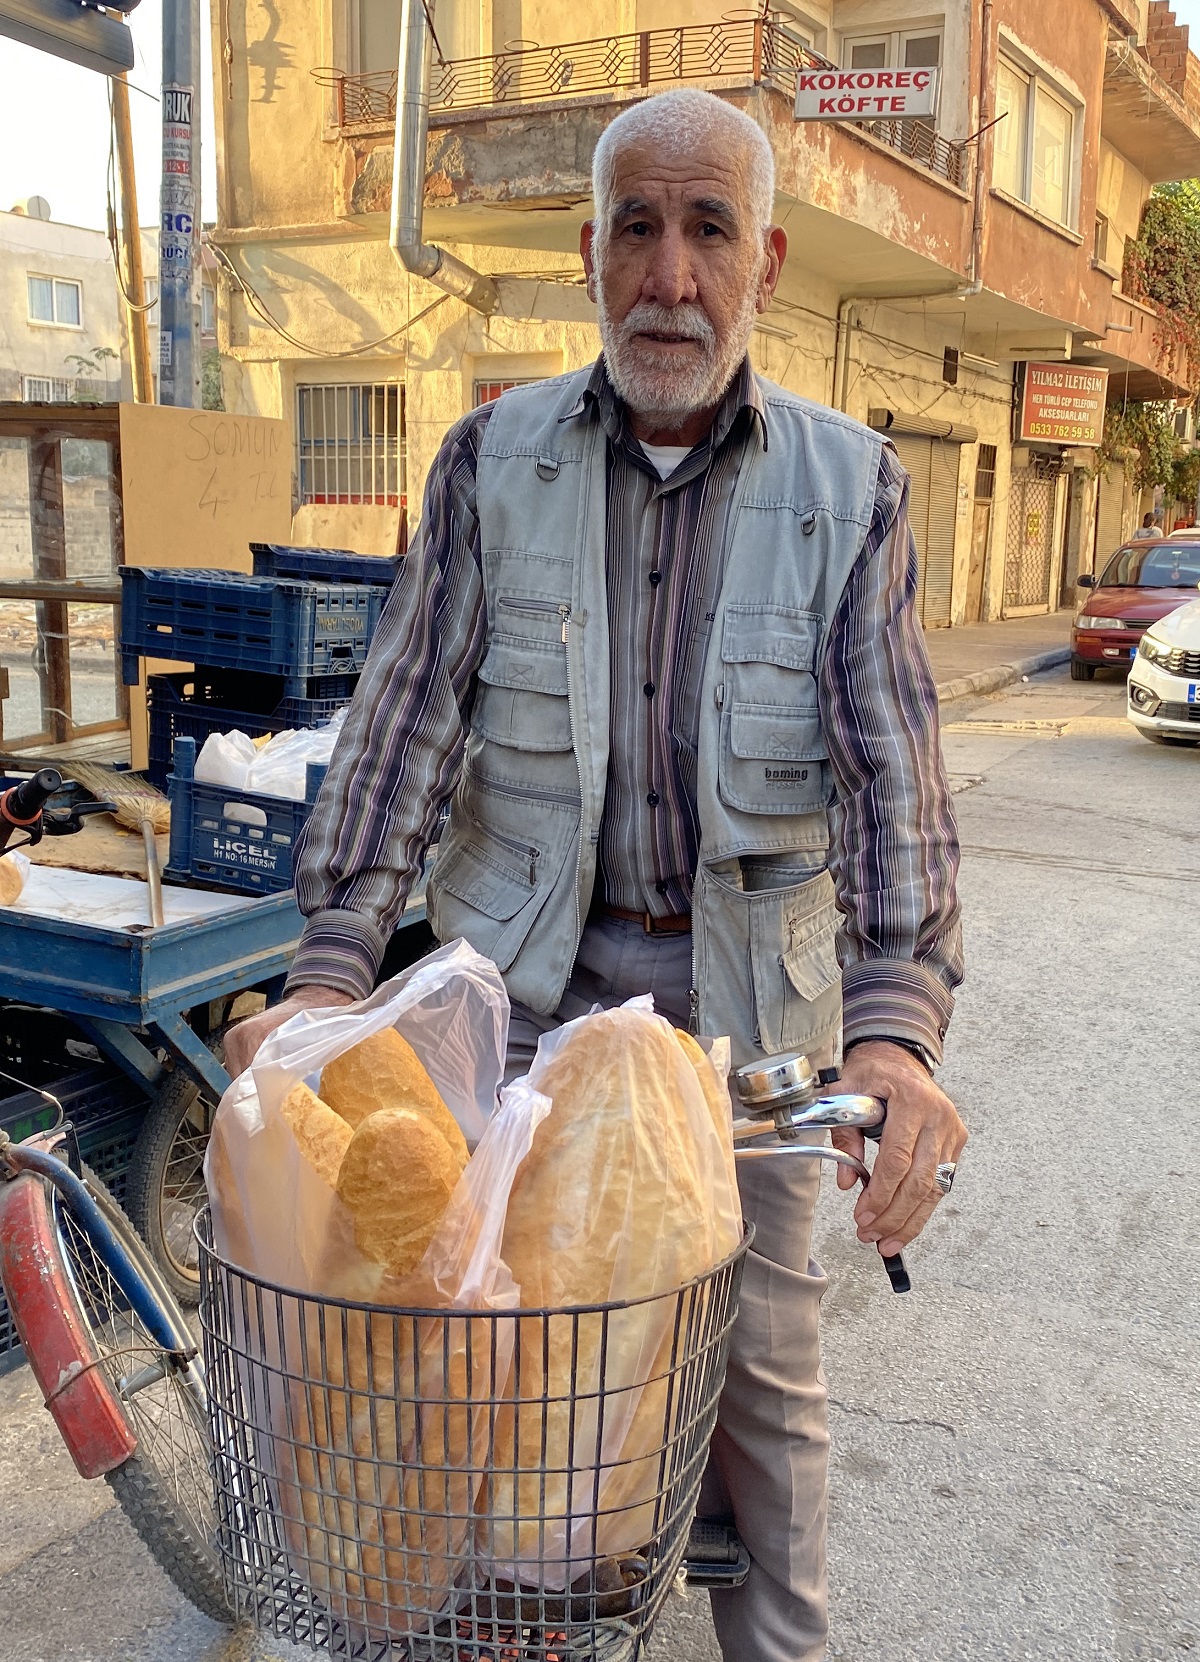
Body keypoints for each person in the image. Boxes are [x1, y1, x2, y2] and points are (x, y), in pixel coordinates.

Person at [226, 87, 968, 1662]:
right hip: (523, 1005)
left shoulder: (855, 489)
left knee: (759, 1366)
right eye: (638, 228)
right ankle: (472, 1629)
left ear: (762, 258)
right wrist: (324, 980)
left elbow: (894, 770)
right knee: (461, 1347)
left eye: (709, 232)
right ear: (589, 254)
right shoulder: (492, 460)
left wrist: (895, 1036)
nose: (672, 275)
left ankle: (779, 1648)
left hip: (741, 1027)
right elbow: (408, 721)